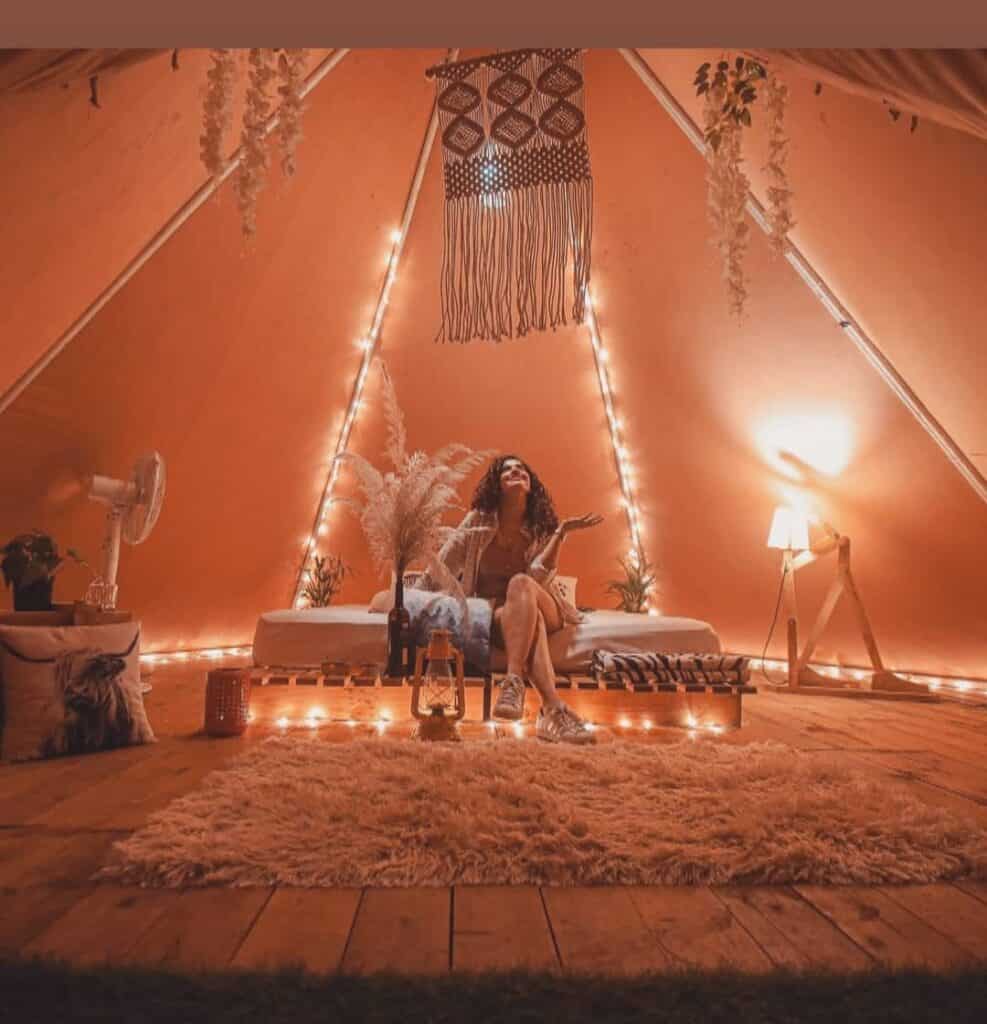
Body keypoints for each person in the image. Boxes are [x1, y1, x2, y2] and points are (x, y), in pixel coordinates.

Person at [434, 454, 603, 744]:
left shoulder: (541, 527)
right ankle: (552, 710)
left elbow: (538, 575)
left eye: (521, 469)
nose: (516, 472)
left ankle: (512, 681)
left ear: (530, 482)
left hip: (545, 602)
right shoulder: (477, 522)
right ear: (496, 485)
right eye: (507, 469)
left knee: (522, 583)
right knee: (530, 619)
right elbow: (442, 565)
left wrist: (560, 534)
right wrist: (402, 595)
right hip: (502, 612)